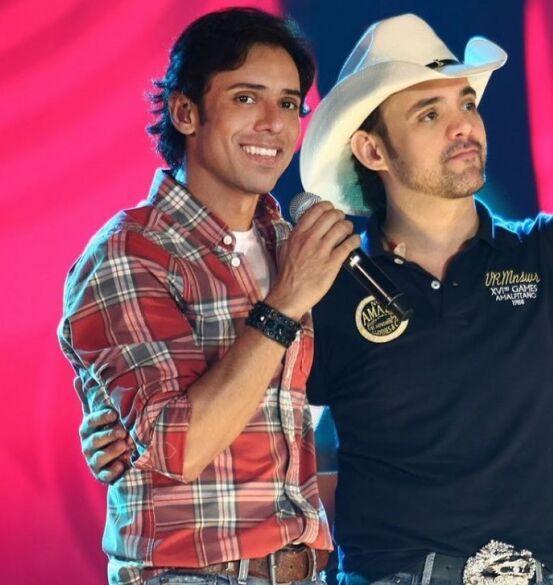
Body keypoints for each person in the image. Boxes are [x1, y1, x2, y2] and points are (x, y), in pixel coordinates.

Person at [81, 13, 553, 585]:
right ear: (370, 149)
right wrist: (129, 440)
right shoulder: (318, 275)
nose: (463, 126)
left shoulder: (546, 252)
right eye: (429, 112)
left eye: (465, 102)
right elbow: (250, 430)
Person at [59, 8, 360, 584]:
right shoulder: (130, 252)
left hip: (305, 569)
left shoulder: (289, 242)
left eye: (289, 104)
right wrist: (285, 303)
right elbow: (182, 447)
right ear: (185, 112)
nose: (273, 124)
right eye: (247, 98)